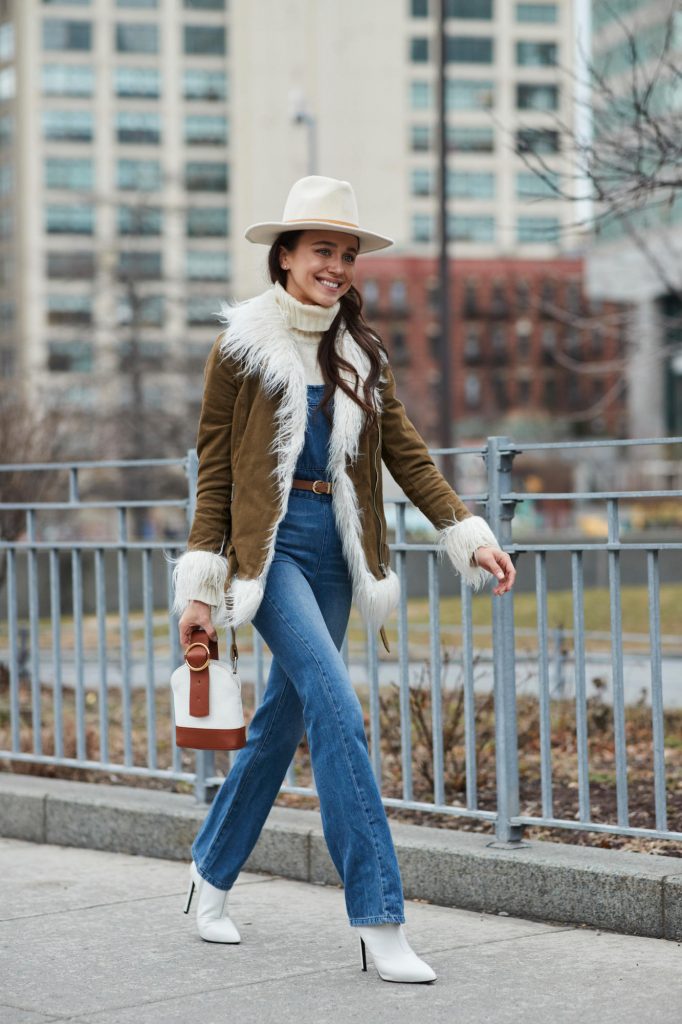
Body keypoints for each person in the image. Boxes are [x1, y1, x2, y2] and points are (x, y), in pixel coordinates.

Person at [172, 175, 516, 984]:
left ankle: (208, 874)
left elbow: (407, 454)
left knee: (277, 726)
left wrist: (466, 531)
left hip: (337, 549)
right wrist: (202, 580)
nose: (338, 265)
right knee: (338, 709)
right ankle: (379, 917)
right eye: (323, 250)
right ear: (284, 255)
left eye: (348, 254)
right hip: (272, 551)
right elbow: (216, 473)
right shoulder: (241, 347)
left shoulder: (363, 354)